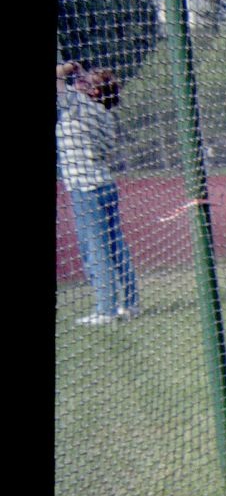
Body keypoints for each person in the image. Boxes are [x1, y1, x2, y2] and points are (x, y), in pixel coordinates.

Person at [57, 60, 139, 325]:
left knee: (96, 250)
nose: (79, 81)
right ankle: (130, 303)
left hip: (86, 190)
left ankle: (105, 310)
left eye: (86, 81)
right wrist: (78, 76)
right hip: (105, 187)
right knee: (116, 247)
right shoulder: (105, 115)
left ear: (94, 92)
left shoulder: (78, 105)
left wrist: (69, 68)